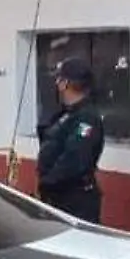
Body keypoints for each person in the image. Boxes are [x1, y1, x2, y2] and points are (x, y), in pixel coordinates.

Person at [36, 57, 106, 223]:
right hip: (58, 197)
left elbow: (75, 157)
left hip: (75, 199)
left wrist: (47, 183)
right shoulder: (66, 114)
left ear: (65, 83)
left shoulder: (87, 118)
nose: (56, 83)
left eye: (59, 78)